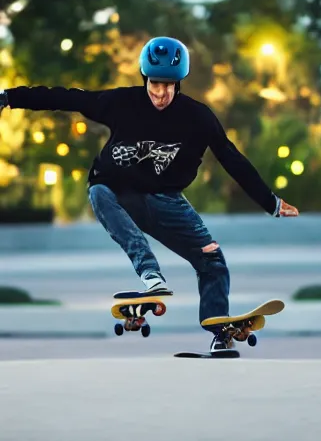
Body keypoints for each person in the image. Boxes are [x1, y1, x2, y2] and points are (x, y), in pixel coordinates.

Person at [0, 36, 299, 352]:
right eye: (155, 84)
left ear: (179, 83)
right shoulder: (120, 103)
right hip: (119, 194)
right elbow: (68, 98)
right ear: (145, 78)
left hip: (167, 202)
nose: (161, 93)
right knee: (99, 191)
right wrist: (9, 97)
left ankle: (219, 330)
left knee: (213, 261)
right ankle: (151, 275)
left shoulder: (198, 117)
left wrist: (271, 202)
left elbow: (232, 159)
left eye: (169, 86)